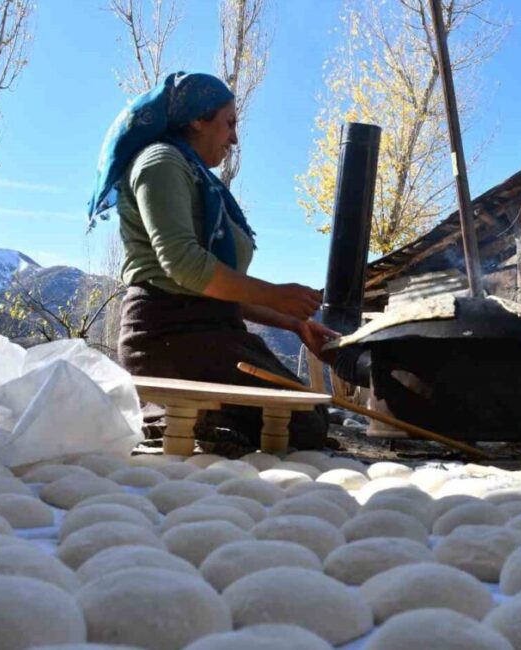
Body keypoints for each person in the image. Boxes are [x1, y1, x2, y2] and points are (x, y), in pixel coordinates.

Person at [87, 72, 338, 451]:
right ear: (197, 120)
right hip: (168, 336)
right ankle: (167, 417)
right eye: (229, 123)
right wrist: (274, 295)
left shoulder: (195, 174)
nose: (234, 138)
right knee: (298, 427)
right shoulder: (160, 162)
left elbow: (216, 288)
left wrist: (294, 323)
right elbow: (185, 266)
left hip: (210, 331)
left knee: (310, 416)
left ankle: (193, 419)